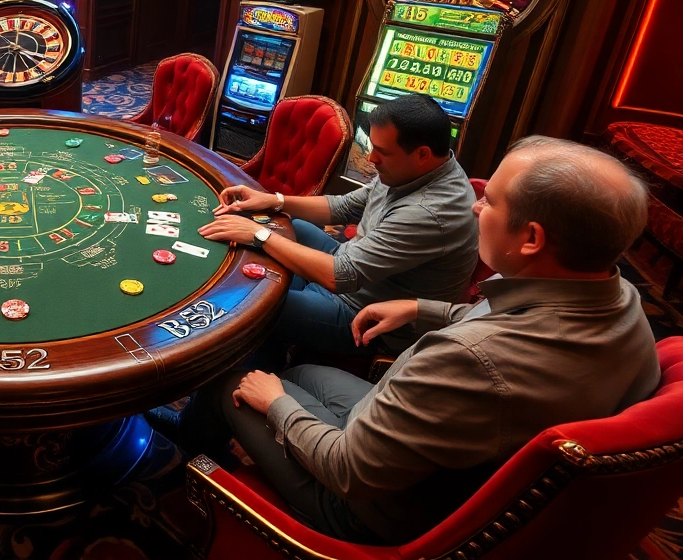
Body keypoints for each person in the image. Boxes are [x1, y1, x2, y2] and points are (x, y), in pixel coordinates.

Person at [210, 136, 659, 545]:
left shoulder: (470, 359)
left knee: (233, 382)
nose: (475, 207)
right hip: (430, 447)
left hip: (369, 506)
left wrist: (276, 405)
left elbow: (348, 472)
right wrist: (422, 308)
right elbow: (508, 316)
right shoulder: (619, 295)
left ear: (532, 238)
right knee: (301, 372)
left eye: (491, 202)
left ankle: (195, 483)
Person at [200, 93, 478, 360]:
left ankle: (232, 385)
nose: (371, 159)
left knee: (249, 305)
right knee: (290, 226)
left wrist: (258, 235)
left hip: (364, 315)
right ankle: (274, 342)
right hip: (354, 268)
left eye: (381, 152)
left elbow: (340, 276)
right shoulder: (415, 169)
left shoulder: (429, 212)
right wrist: (273, 200)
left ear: (422, 154)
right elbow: (343, 207)